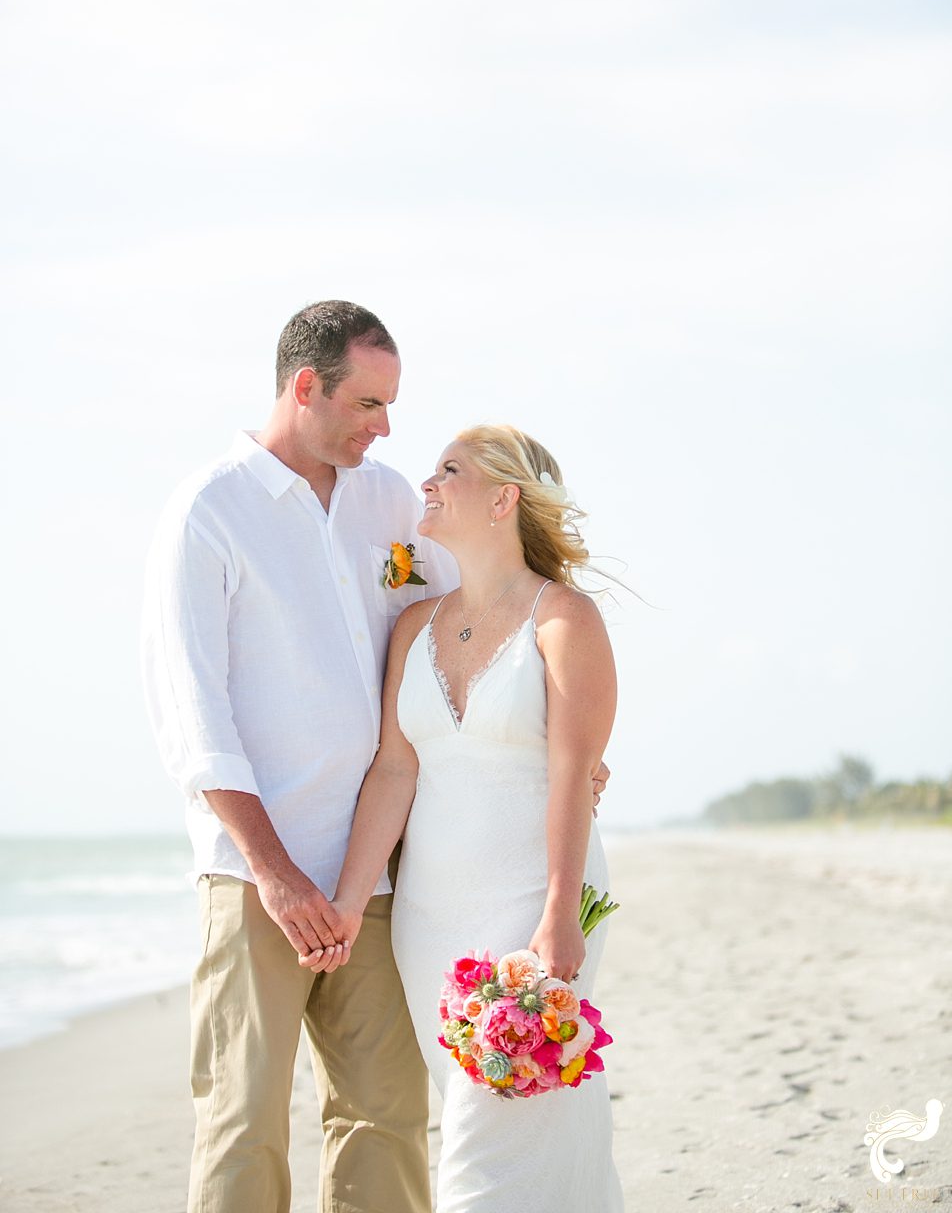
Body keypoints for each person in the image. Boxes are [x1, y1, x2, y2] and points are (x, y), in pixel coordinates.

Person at [142, 301, 609, 1213]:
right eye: (366, 404)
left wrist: (567, 745)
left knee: (386, 1114)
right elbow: (193, 718)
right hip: (257, 877)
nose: (386, 428)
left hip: (386, 875)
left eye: (392, 406)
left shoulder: (393, 501)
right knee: (244, 1121)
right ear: (304, 387)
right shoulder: (211, 510)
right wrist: (275, 875)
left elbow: (483, 623)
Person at [311, 424, 624, 1212]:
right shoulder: (414, 626)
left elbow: (571, 775)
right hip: (430, 920)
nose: (429, 482)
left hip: (532, 904)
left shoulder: (566, 621)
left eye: (450, 470)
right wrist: (350, 900)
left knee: (491, 1144)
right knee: (482, 1117)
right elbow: (393, 770)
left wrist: (559, 912)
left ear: (503, 499)